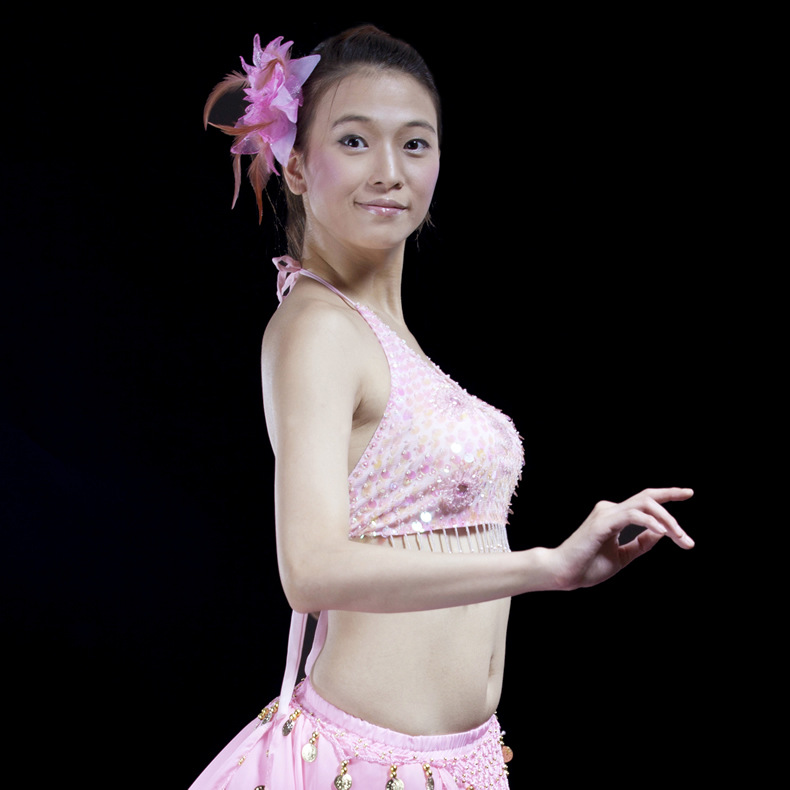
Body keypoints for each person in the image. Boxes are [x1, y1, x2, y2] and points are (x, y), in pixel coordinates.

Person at [190, 25, 694, 790]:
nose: (390, 172)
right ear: (294, 166)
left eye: (415, 144)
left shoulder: (383, 335)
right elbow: (311, 569)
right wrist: (547, 567)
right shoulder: (317, 326)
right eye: (354, 141)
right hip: (361, 765)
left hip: (461, 759)